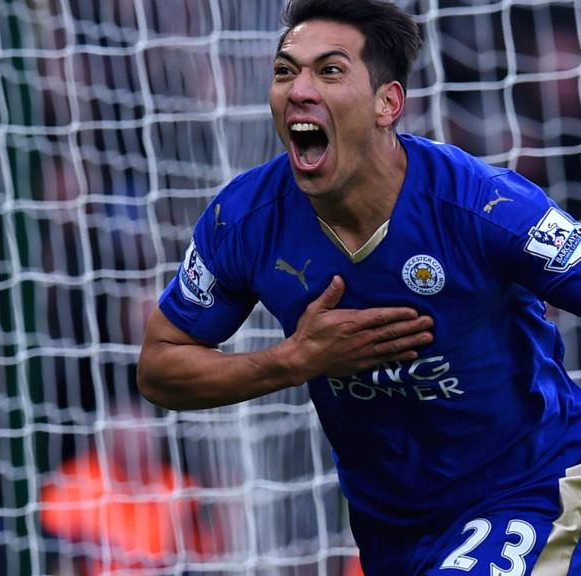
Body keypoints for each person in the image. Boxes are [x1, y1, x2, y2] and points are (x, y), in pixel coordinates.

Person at [136, 0, 581, 574]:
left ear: (387, 103)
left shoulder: (486, 205)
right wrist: (293, 360)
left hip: (529, 488)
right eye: (285, 70)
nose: (299, 89)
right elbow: (159, 365)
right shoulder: (243, 220)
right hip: (390, 527)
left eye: (329, 70)